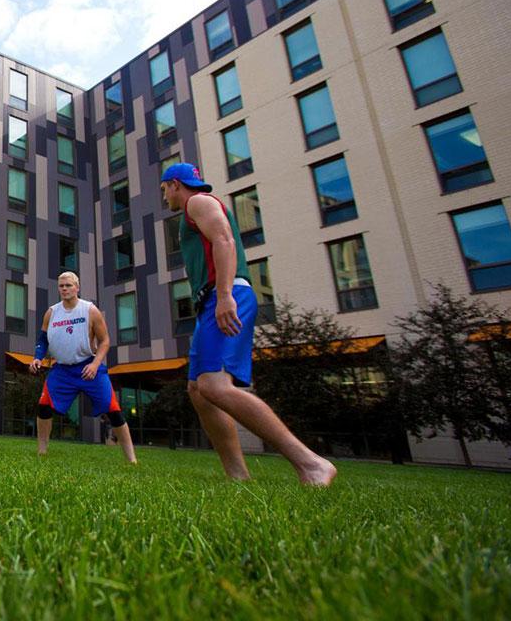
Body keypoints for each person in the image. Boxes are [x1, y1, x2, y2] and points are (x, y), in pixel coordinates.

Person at [161, 162, 336, 486]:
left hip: (226, 294)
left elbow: (224, 241)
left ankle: (311, 464)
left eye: (163, 190)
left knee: (214, 386)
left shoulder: (198, 202)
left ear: (174, 184)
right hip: (211, 300)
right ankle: (238, 476)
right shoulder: (196, 206)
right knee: (199, 390)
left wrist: (225, 295)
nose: (164, 198)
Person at [30, 271, 137, 463]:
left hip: (89, 366)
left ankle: (132, 460)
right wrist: (38, 357)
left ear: (77, 287)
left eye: (68, 285)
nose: (64, 289)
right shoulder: (52, 312)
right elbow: (42, 339)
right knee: (44, 407)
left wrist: (96, 365)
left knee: (113, 411)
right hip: (62, 370)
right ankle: (42, 452)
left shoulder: (90, 310)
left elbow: (105, 341)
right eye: (61, 286)